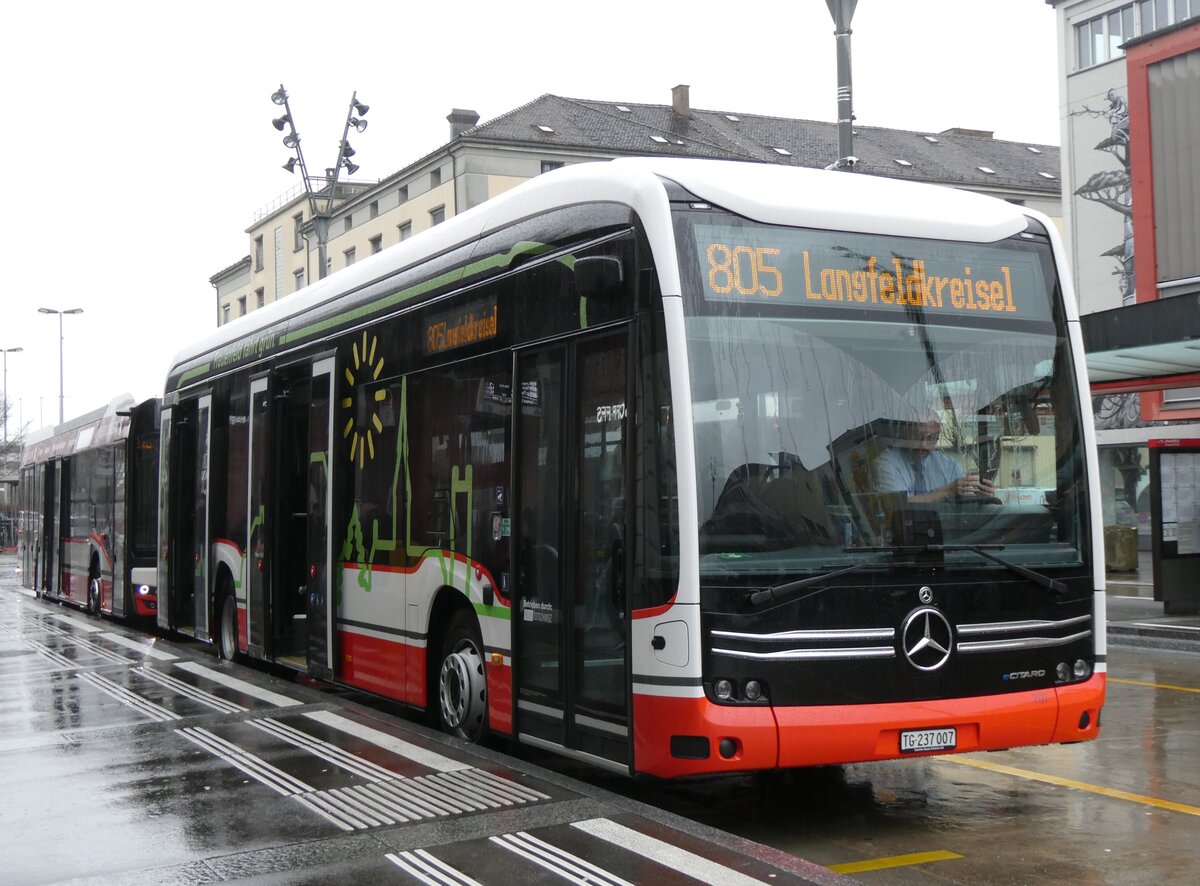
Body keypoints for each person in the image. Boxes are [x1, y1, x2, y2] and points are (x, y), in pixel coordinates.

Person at [875, 418, 994, 503]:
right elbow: (897, 507)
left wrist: (982, 493)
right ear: (905, 433)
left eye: (931, 438)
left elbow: (965, 495)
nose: (924, 445)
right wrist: (946, 492)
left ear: (938, 438)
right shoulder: (885, 462)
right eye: (918, 437)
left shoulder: (947, 465)